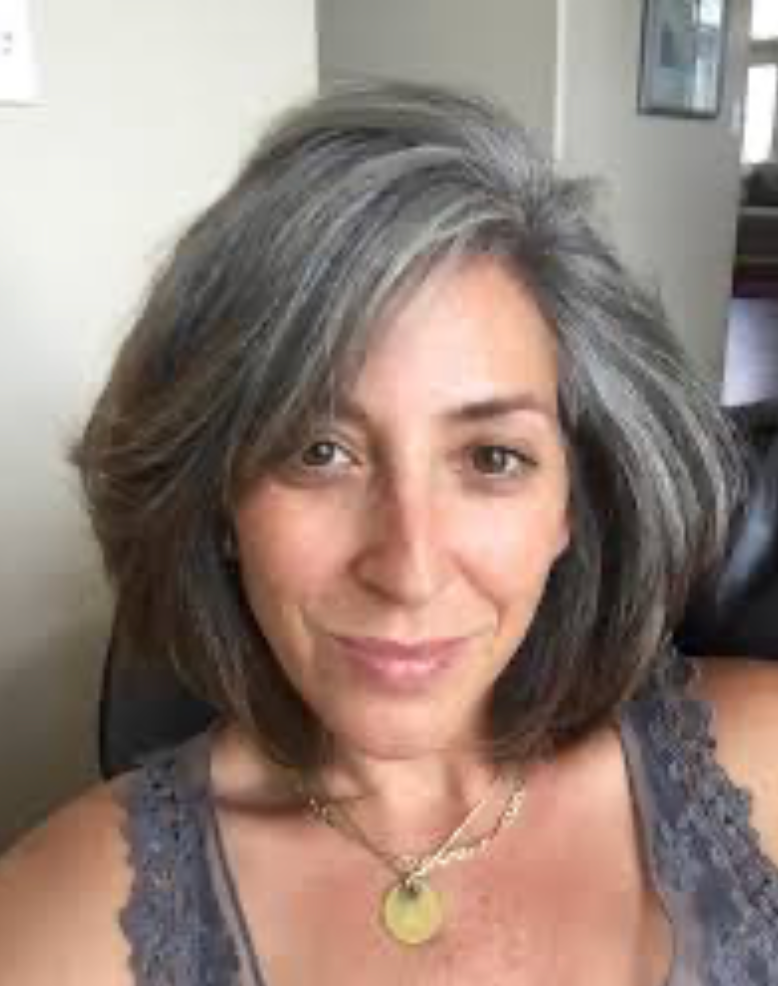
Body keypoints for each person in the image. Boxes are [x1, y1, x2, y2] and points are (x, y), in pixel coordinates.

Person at [1, 81, 777, 985]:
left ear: (573, 500)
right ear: (218, 499)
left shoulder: (763, 757)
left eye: (492, 457)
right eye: (320, 452)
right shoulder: (57, 927)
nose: (408, 570)